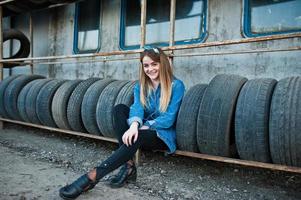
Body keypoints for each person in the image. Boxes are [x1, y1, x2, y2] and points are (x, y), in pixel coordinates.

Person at [59, 46, 185, 199]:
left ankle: (93, 176)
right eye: (146, 65)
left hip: (162, 134)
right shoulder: (141, 86)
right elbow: (136, 108)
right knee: (119, 109)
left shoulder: (176, 85)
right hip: (141, 129)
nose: (150, 69)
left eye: (154, 64)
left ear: (162, 63)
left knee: (138, 135)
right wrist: (134, 125)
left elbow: (169, 118)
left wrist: (145, 126)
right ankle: (129, 165)